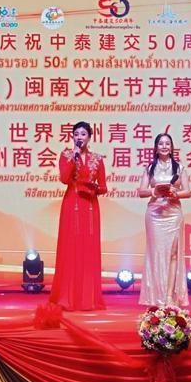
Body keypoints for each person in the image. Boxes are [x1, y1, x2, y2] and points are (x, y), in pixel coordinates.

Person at [50, 121, 108, 311]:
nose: (79, 137)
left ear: (89, 137)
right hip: (72, 204)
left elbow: (104, 187)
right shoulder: (66, 155)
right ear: (72, 137)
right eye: (76, 134)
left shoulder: (97, 159)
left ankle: (87, 300)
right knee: (70, 249)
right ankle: (67, 298)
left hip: (90, 206)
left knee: (88, 250)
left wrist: (94, 188)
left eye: (83, 134)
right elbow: (64, 178)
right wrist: (74, 156)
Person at [137, 133, 191, 307]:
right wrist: (154, 191)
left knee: (173, 254)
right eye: (161, 143)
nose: (164, 146)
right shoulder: (150, 168)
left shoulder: (179, 168)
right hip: (155, 214)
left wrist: (175, 193)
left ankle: (169, 296)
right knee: (156, 254)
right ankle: (156, 296)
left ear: (172, 147)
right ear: (156, 147)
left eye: (168, 143)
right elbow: (141, 191)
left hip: (173, 213)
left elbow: (188, 191)